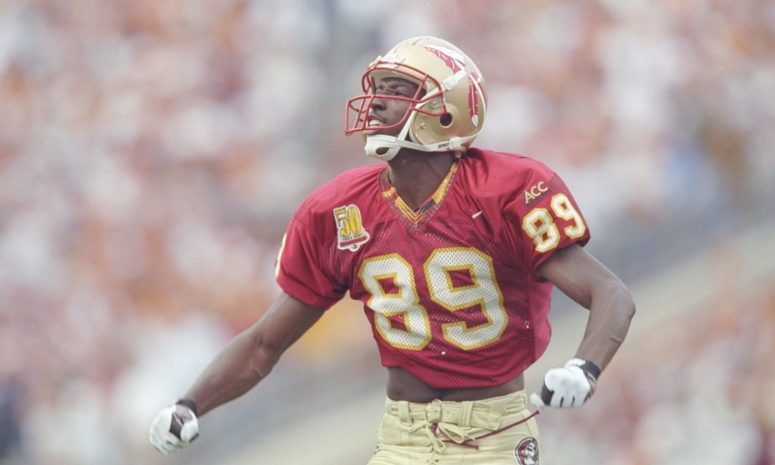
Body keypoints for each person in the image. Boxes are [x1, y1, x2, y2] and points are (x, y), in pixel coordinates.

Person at [149, 36, 636, 464]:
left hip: (493, 433)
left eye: (399, 92)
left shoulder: (506, 190)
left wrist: (585, 367)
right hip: (402, 434)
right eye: (378, 90)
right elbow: (264, 343)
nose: (377, 103)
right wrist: (190, 404)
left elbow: (610, 293)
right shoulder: (339, 210)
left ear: (448, 110)